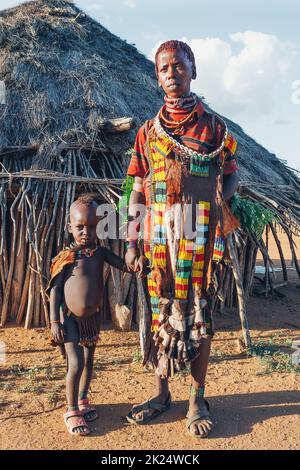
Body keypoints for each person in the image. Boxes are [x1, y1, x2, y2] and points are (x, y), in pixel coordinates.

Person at [125, 40, 239, 438]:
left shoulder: (214, 127)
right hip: (159, 241)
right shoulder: (146, 132)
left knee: (199, 316)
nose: (171, 74)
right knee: (160, 313)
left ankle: (197, 398)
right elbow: (136, 188)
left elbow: (231, 174)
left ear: (193, 70)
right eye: (164, 69)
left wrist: (214, 202)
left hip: (199, 236)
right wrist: (130, 240)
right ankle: (161, 393)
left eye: (178, 66)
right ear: (157, 77)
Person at [47, 195, 147, 436]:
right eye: (80, 227)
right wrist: (54, 322)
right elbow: (55, 290)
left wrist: (140, 261)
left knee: (89, 363)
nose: (86, 232)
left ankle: (82, 400)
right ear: (69, 227)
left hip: (92, 319)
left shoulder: (100, 253)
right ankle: (71, 410)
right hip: (69, 318)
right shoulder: (66, 258)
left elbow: (125, 266)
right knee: (76, 363)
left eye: (92, 227)